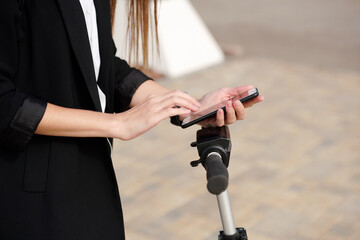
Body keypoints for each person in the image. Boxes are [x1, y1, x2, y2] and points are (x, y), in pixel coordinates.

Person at [0, 0, 263, 239]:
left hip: (91, 181)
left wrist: (190, 107)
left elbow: (102, 66)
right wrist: (118, 124)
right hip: (32, 199)